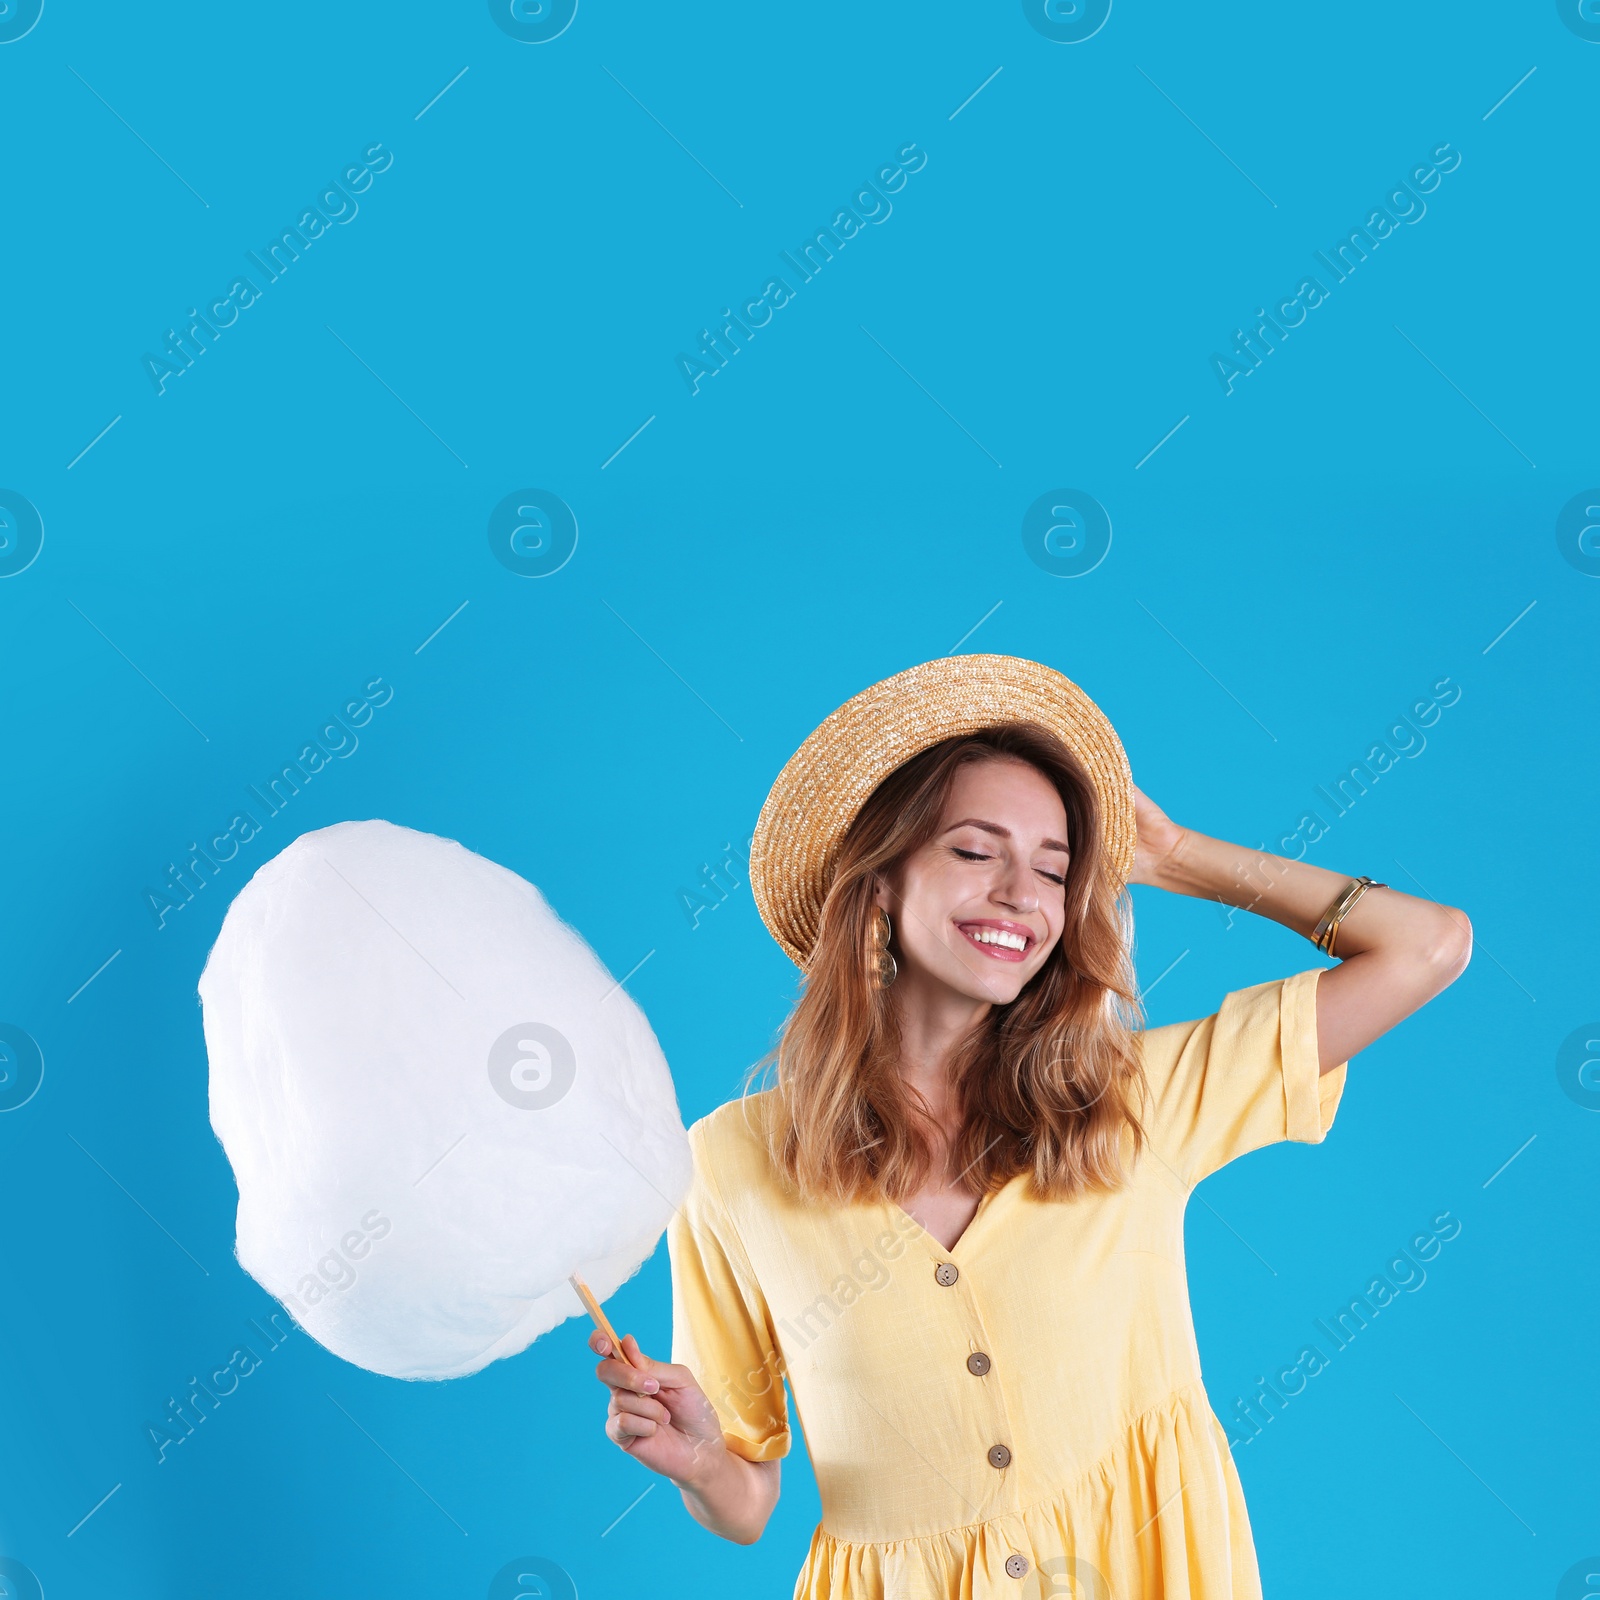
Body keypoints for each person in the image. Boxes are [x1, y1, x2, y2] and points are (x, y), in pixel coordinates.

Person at [587, 655, 1471, 1597]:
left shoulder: (1137, 1097)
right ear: (879, 882)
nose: (1022, 893)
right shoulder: (731, 1163)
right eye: (975, 852)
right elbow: (748, 1502)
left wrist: (1173, 858)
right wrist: (698, 1463)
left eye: (1055, 870)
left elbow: (1426, 945)